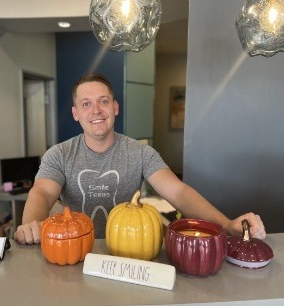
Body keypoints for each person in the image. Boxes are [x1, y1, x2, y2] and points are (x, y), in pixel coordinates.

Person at [14, 73, 266, 243]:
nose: (96, 110)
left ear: (115, 107)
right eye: (86, 104)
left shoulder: (140, 152)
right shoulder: (59, 154)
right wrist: (30, 225)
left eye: (103, 101)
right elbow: (43, 193)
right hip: (74, 250)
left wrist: (227, 224)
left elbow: (178, 192)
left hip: (128, 254)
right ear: (75, 113)